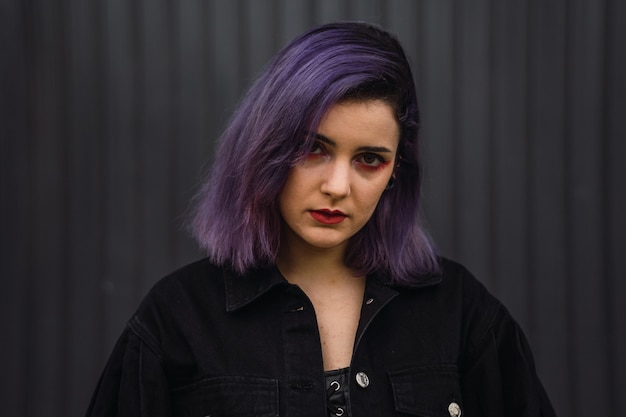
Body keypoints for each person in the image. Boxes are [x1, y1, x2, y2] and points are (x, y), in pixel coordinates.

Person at [86, 22, 556, 417]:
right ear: (265, 151)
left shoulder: (461, 313)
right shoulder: (177, 319)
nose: (337, 185)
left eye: (369, 159)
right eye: (314, 148)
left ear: (396, 172)